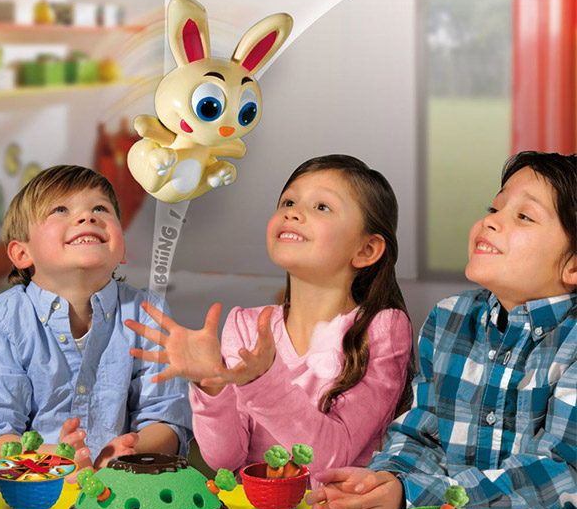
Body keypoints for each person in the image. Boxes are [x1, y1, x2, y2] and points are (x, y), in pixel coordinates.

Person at [306, 151, 577, 509]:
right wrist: (387, 481)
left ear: (573, 265)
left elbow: (560, 474)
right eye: (495, 208)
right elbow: (421, 434)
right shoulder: (450, 318)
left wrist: (416, 496)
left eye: (524, 216)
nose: (490, 221)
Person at [126, 154, 414, 488]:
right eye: (288, 202)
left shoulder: (383, 328)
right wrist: (210, 385)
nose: (293, 212)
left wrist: (262, 380)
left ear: (366, 250)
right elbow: (225, 461)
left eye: (322, 206)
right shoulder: (245, 325)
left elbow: (331, 457)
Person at [0, 165, 192, 497]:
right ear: (22, 253)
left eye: (100, 209)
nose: (87, 217)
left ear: (122, 250)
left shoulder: (148, 312)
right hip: (22, 501)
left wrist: (127, 453)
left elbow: (168, 420)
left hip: (121, 496)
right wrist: (50, 461)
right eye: (60, 210)